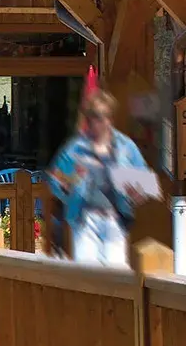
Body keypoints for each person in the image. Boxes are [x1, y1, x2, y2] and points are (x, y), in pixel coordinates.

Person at [47, 90, 159, 267]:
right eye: (92, 116)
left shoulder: (126, 147)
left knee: (116, 276)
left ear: (110, 118)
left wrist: (136, 192)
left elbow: (145, 182)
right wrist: (66, 186)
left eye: (102, 116)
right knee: (88, 277)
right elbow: (54, 180)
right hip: (85, 220)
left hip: (115, 219)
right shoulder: (76, 148)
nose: (97, 121)